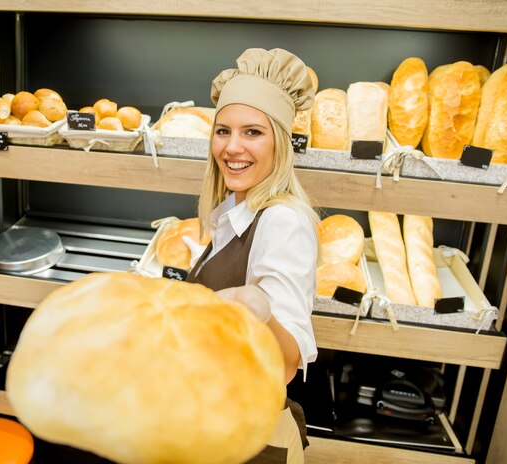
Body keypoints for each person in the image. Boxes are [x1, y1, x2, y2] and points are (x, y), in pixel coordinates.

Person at [185, 48, 319, 464]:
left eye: (253, 132)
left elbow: (287, 360)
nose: (232, 147)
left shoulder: (282, 221)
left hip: (248, 442)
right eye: (222, 131)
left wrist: (257, 308)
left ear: (280, 141)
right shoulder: (238, 210)